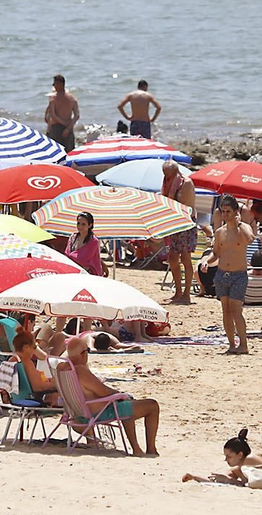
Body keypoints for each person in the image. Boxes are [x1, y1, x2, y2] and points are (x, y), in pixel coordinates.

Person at [66, 333, 159, 455]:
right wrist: (121, 394)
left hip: (78, 413)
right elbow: (103, 392)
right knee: (152, 406)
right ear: (83, 353)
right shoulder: (80, 371)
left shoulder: (64, 369)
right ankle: (151, 450)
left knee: (127, 405)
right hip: (100, 412)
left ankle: (137, 449)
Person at [211, 195, 251, 354]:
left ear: (235, 212)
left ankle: (243, 344)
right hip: (222, 274)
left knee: (236, 310)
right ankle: (231, 344)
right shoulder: (220, 232)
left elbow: (250, 239)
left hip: (239, 275)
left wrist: (239, 223)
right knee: (225, 310)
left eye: (228, 211)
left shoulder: (244, 228)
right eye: (223, 211)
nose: (225, 215)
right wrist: (207, 261)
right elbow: (215, 253)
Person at [160, 160, 197, 303]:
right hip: (174, 224)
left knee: (185, 258)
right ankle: (178, 292)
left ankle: (186, 294)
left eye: (168, 175)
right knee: (172, 259)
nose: (166, 178)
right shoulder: (167, 183)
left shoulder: (185, 183)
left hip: (186, 223)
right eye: (165, 175)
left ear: (175, 172)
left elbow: (183, 206)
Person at [44, 74, 79, 150]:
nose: (54, 86)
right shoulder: (72, 98)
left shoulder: (53, 98)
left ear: (60, 84)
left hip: (56, 128)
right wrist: (68, 128)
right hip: (69, 128)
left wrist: (63, 124)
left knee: (56, 152)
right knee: (69, 152)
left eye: (54, 84)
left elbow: (53, 115)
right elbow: (77, 115)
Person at [65, 212, 103, 276]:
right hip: (73, 271)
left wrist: (70, 256)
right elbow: (66, 254)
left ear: (90, 225)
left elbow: (81, 259)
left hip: (89, 274)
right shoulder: (73, 237)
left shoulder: (93, 241)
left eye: (83, 224)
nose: (80, 226)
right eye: (78, 223)